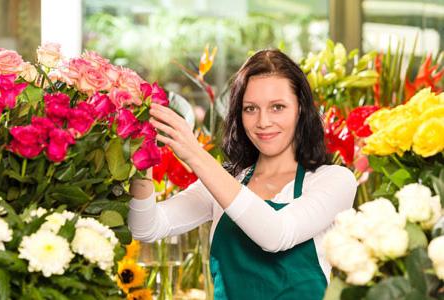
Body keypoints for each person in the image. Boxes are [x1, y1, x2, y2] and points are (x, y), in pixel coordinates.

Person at [128, 49, 357, 300]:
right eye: (250, 109)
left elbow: (276, 234)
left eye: (277, 107)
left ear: (300, 109)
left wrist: (195, 153)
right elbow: (146, 227)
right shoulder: (228, 182)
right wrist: (142, 155)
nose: (263, 122)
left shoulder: (333, 180)